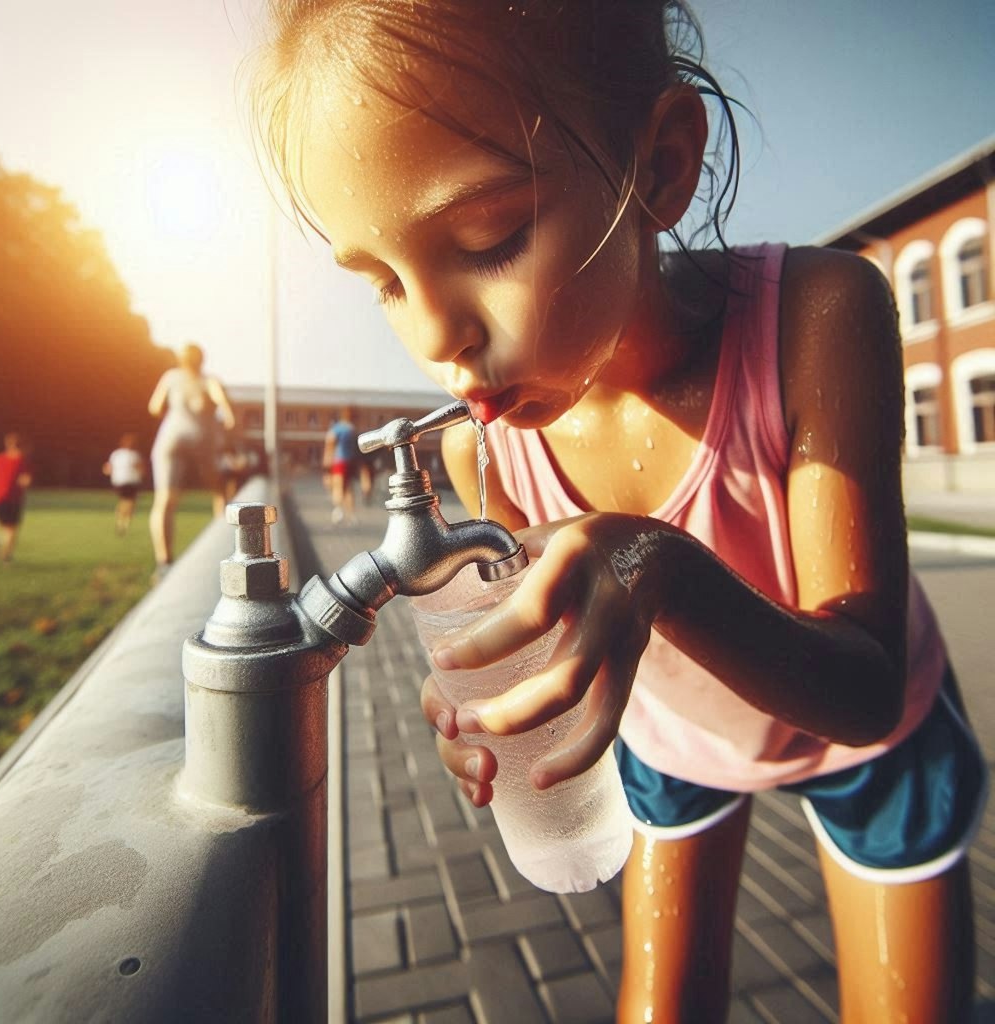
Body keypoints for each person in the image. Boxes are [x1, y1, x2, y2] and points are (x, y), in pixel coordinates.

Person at [252, 4, 986, 1021]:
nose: (434, 336)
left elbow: (860, 690)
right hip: (678, 749)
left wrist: (655, 565)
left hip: (870, 745)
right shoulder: (485, 448)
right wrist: (503, 713)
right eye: (382, 281)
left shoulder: (817, 319)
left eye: (491, 239)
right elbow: (558, 651)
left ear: (660, 166)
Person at [147, 343, 235, 578]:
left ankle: (164, 562)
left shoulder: (170, 377)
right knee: (219, 492)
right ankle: (224, 548)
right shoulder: (208, 379)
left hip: (171, 437)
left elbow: (154, 407)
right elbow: (220, 397)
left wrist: (175, 417)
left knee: (164, 500)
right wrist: (226, 412)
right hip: (201, 440)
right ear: (201, 361)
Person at [0, 432, 32, 563]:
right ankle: (6, 558)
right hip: (12, 498)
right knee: (11, 529)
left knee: (3, 526)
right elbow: (26, 480)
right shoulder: (20, 461)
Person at [102, 432, 146, 535]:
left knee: (123, 501)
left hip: (118, 481)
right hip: (131, 481)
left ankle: (119, 520)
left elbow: (108, 468)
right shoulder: (135, 455)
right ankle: (125, 524)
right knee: (130, 503)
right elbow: (141, 469)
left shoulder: (116, 454)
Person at [322, 406, 357, 525]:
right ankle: (351, 515)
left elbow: (330, 444)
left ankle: (338, 511)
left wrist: (326, 463)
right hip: (350, 461)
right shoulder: (353, 429)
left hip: (339, 461)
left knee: (338, 486)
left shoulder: (337, 428)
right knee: (348, 488)